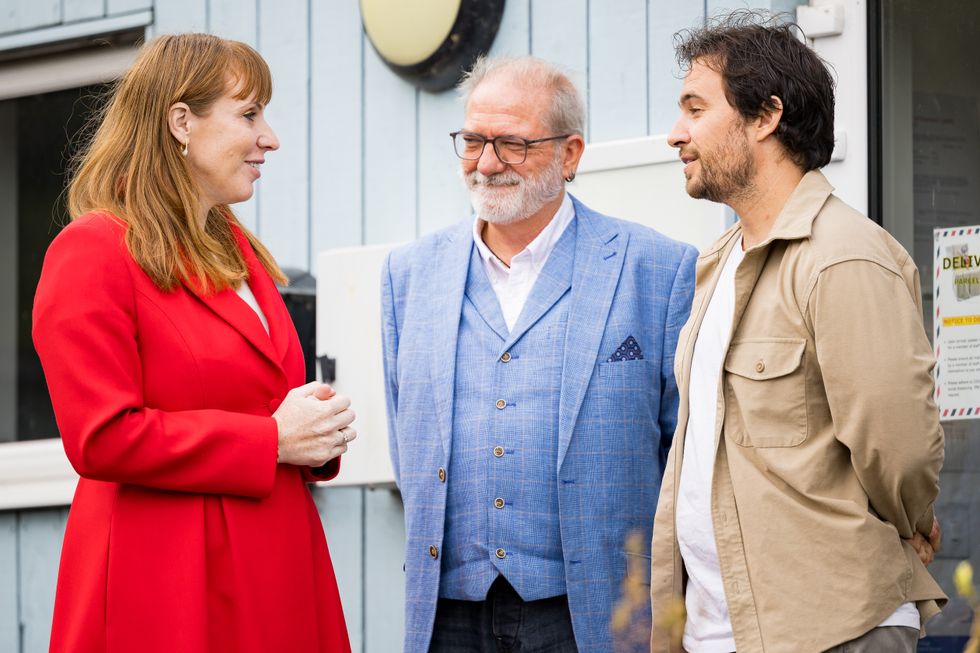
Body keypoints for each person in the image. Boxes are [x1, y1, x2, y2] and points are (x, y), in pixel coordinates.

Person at [33, 34, 355, 653]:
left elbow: (262, 399)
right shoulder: (94, 251)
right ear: (182, 121)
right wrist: (273, 439)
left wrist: (314, 435)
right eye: (249, 113)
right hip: (167, 582)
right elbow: (101, 435)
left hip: (274, 568)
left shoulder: (237, 251)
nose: (271, 138)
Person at [649, 12, 946, 653]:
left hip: (830, 630)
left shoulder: (843, 255)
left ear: (765, 117)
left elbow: (898, 446)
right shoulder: (718, 263)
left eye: (696, 109)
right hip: (716, 634)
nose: (676, 135)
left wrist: (913, 521)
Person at [380, 55, 697, 653]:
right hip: (449, 611)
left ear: (570, 154)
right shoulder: (408, 275)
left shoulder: (658, 269)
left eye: (513, 144)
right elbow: (407, 443)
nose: (488, 162)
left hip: (596, 610)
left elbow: (684, 454)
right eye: (473, 141)